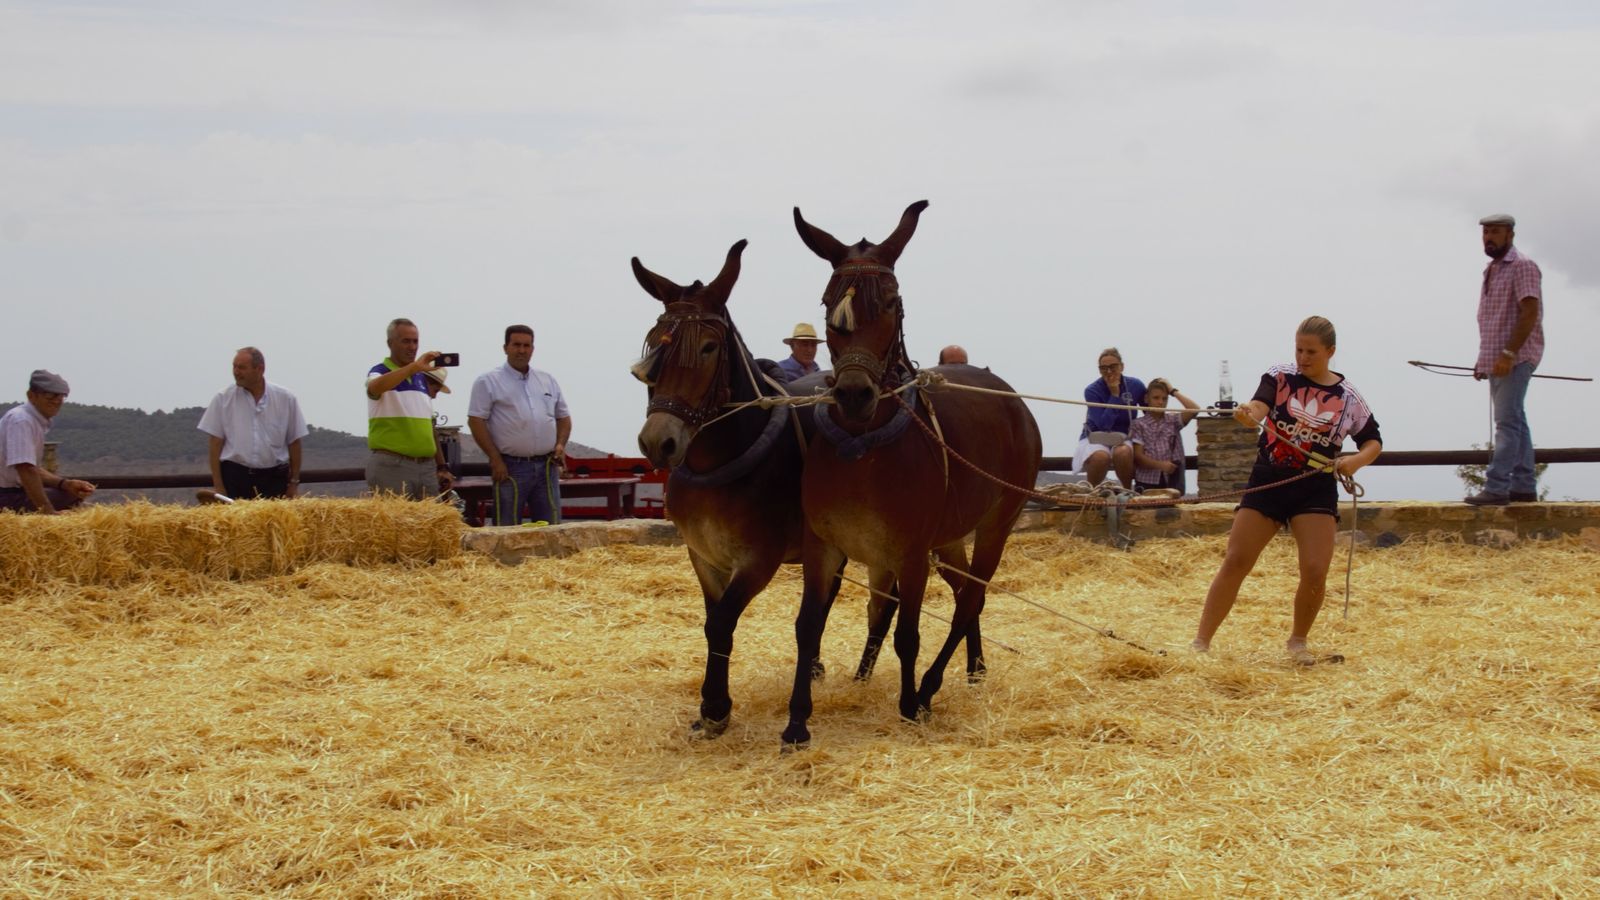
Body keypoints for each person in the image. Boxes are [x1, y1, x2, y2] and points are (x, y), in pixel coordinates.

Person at [1191, 316, 1382, 664]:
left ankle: (1298, 642)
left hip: (1314, 489)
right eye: (1299, 349)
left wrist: (1355, 461)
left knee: (1314, 569)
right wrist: (1251, 413)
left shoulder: (1348, 397)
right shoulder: (1279, 376)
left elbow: (1373, 441)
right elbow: (1260, 404)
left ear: (1330, 352)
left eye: (1311, 351)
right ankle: (1201, 642)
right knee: (1236, 560)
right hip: (1268, 480)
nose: (1303, 358)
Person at [1466, 213, 1544, 506]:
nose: (1489, 237)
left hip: (1516, 356)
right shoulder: (1491, 270)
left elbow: (1530, 312)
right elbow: (1492, 319)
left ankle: (1497, 487)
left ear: (1510, 234)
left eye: (1495, 232)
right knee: (1516, 420)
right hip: (1497, 358)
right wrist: (1483, 359)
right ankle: (1524, 486)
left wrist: (1509, 354)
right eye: (1486, 232)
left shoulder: (1522, 266)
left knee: (1506, 423)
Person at [468, 324, 572, 526]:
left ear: (533, 349)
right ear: (505, 347)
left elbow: (564, 417)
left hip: (547, 466)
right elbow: (475, 421)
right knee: (507, 527)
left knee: (550, 527)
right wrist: (495, 459)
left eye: (527, 345)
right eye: (516, 345)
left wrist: (560, 445)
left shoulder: (547, 380)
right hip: (510, 467)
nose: (521, 350)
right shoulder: (488, 381)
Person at [197, 347, 307, 500]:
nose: (236, 372)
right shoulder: (223, 398)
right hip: (235, 478)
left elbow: (294, 443)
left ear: (259, 369)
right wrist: (219, 486)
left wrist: (293, 483)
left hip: (273, 479)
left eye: (241, 367)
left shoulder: (286, 399)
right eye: (234, 366)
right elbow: (215, 444)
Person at [366, 317, 454, 499]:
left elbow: (429, 428)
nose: (412, 347)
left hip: (426, 467)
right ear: (390, 343)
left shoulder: (421, 378)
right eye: (406, 341)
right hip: (393, 466)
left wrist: (441, 466)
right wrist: (413, 368)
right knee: (395, 526)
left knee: (430, 526)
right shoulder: (379, 371)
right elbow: (373, 388)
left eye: (415, 342)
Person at [0, 370, 96, 514]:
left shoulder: (31, 420)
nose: (57, 400)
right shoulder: (21, 421)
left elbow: (33, 469)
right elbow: (26, 469)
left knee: (72, 493)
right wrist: (49, 513)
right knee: (67, 498)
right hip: (6, 497)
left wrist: (65, 484)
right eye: (50, 395)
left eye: (61, 396)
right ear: (31, 395)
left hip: (12, 493)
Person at [1073, 347, 1146, 488]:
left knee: (1123, 453)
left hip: (1124, 436)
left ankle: (1127, 490)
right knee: (1101, 457)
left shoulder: (1135, 385)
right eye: (1103, 368)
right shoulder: (1092, 390)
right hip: (1097, 435)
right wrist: (1114, 395)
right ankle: (1092, 492)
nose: (1109, 371)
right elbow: (1103, 425)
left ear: (1122, 366)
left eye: (1113, 367)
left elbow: (1150, 411)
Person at [1128, 378, 1199, 494]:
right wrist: (1161, 465)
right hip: (1147, 481)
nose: (1160, 402)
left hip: (1172, 480)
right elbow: (1138, 456)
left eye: (1164, 399)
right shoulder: (1138, 424)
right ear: (1147, 399)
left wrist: (1173, 391)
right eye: (1156, 398)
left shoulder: (1173, 420)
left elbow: (1194, 409)